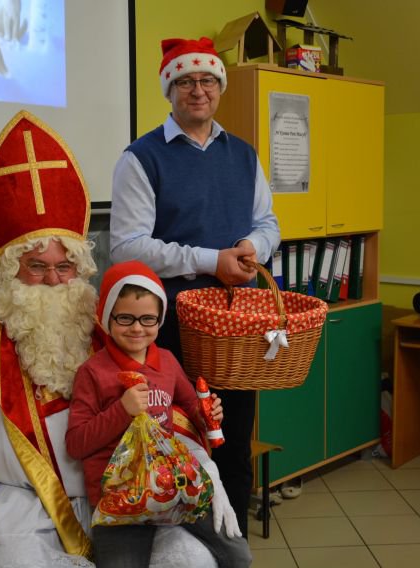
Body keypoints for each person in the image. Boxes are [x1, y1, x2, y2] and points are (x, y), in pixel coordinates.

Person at [0, 111, 219, 568]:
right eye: (37, 267)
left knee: (191, 560)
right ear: (9, 269)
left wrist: (202, 453)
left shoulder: (105, 324)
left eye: (64, 267)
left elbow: (166, 404)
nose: (52, 280)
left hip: (123, 488)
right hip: (23, 506)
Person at [109, 37, 281, 535]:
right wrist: (211, 260)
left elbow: (268, 223)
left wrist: (250, 247)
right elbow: (127, 247)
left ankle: (233, 548)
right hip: (170, 331)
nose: (198, 90)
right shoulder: (141, 157)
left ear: (220, 88)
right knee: (179, 438)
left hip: (235, 327)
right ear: (170, 90)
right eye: (185, 81)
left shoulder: (243, 155)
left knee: (233, 441)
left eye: (207, 80)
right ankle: (183, 551)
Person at [66, 260, 251, 568]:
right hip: (120, 499)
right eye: (125, 318)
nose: (137, 328)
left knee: (238, 554)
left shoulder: (166, 361)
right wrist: (121, 411)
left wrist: (208, 415)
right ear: (107, 317)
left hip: (173, 486)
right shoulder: (92, 372)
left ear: (160, 319)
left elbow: (192, 408)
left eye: (147, 319)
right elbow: (76, 444)